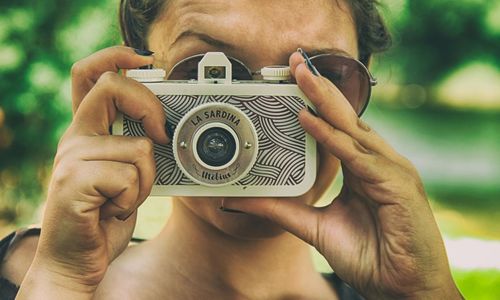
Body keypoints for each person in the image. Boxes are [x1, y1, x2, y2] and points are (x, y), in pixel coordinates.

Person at [0, 0, 464, 299]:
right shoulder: (32, 278)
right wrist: (60, 280)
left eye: (318, 78)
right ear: (132, 82)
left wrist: (427, 294)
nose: (256, 125)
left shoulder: (396, 291)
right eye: (206, 70)